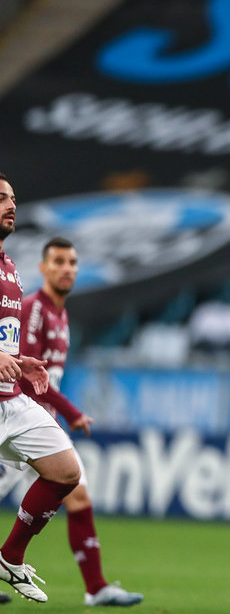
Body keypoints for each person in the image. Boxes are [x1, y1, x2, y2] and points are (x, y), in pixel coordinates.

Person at [0, 236, 144, 606]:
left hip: (26, 416)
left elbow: (26, 365)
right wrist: (71, 411)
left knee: (75, 488)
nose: (66, 268)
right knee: (73, 487)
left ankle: (95, 586)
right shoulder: (33, 308)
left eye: (72, 262)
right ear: (44, 267)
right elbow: (22, 372)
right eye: (59, 261)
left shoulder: (59, 313)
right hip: (18, 412)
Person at [0, 173, 84, 603]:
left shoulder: (9, 266)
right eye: (0, 198)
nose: (10, 205)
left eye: (12, 198)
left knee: (67, 471)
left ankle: (9, 557)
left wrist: (19, 359)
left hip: (9, 401)